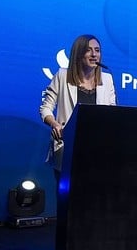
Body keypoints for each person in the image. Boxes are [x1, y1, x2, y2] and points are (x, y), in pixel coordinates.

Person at [39, 34, 117, 179]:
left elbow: (112, 113)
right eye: (88, 50)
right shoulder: (63, 76)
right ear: (79, 53)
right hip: (67, 149)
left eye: (97, 50)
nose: (94, 54)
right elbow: (46, 108)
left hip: (97, 152)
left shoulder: (107, 79)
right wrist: (55, 124)